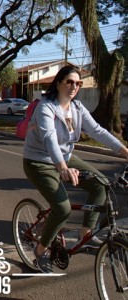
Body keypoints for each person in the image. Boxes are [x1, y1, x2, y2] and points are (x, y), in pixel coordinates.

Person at [23, 65, 128, 273]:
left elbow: (98, 131)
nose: (74, 86)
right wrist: (61, 167)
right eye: (69, 82)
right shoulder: (46, 108)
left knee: (102, 184)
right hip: (39, 161)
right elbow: (49, 138)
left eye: (78, 83)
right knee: (63, 208)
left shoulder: (77, 108)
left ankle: (85, 233)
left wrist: (124, 150)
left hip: (66, 157)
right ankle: (40, 251)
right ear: (59, 83)